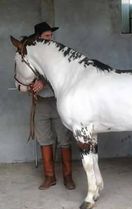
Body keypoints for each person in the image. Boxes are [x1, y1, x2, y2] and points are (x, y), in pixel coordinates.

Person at [19, 22, 76, 190]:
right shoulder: (32, 56)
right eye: (46, 36)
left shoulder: (59, 55)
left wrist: (43, 81)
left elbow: (67, 75)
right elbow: (23, 77)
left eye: (51, 36)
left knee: (64, 140)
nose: (50, 39)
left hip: (59, 102)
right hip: (41, 104)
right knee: (44, 140)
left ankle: (68, 177)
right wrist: (29, 86)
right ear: (38, 38)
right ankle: (49, 177)